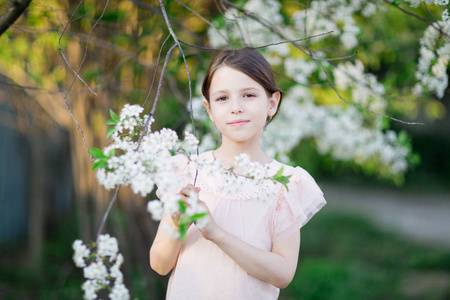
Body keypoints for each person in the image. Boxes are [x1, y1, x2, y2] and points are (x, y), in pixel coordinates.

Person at [149, 47, 326, 299]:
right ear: (209, 109)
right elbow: (159, 264)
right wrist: (179, 224)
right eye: (222, 98)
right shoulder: (189, 171)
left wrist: (217, 233)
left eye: (249, 95)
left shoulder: (283, 183)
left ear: (272, 103)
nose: (236, 108)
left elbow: (283, 273)